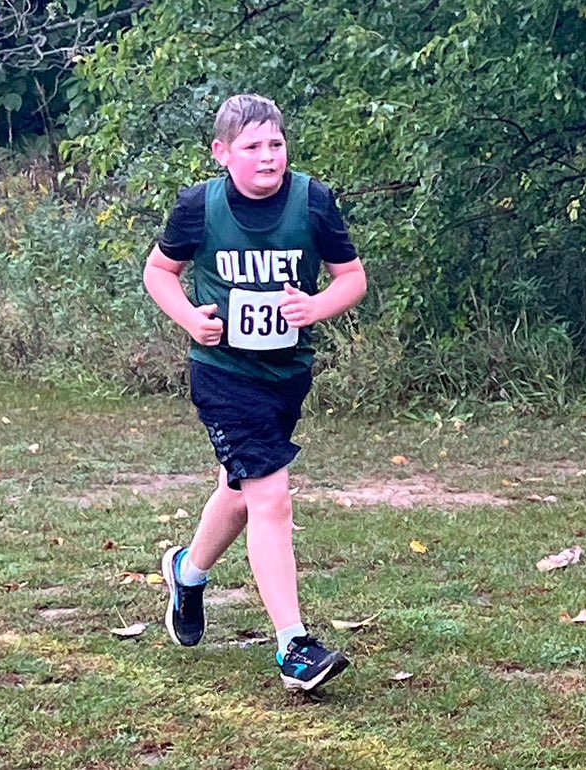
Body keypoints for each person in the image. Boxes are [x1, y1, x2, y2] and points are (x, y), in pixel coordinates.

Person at [143, 94, 367, 691]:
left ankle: (188, 574)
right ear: (222, 153)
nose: (268, 156)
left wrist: (315, 306)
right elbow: (158, 272)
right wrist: (192, 319)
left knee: (240, 491)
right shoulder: (200, 207)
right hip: (222, 375)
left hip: (286, 375)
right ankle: (294, 645)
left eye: (276, 143)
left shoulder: (312, 201)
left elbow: (353, 278)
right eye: (252, 147)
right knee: (271, 497)